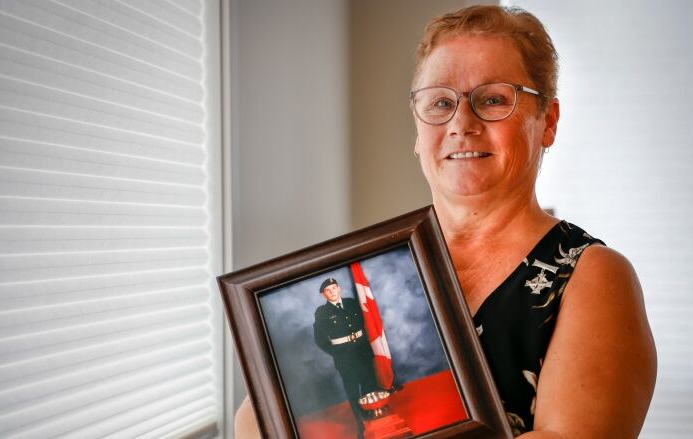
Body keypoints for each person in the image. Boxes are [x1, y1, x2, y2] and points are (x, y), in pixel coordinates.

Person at [236, 5, 656, 438]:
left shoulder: (593, 277)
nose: (462, 123)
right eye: (440, 102)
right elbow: (256, 422)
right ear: (418, 131)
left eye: (493, 99)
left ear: (547, 121)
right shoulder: (372, 269)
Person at [312, 277, 378, 437]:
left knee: (369, 383)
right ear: (323, 294)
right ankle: (361, 423)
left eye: (334, 288)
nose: (332, 292)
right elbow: (319, 340)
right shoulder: (322, 313)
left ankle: (374, 417)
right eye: (328, 290)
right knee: (353, 391)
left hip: (362, 350)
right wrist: (337, 352)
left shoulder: (351, 303)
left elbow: (365, 322)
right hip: (344, 357)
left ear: (339, 288)